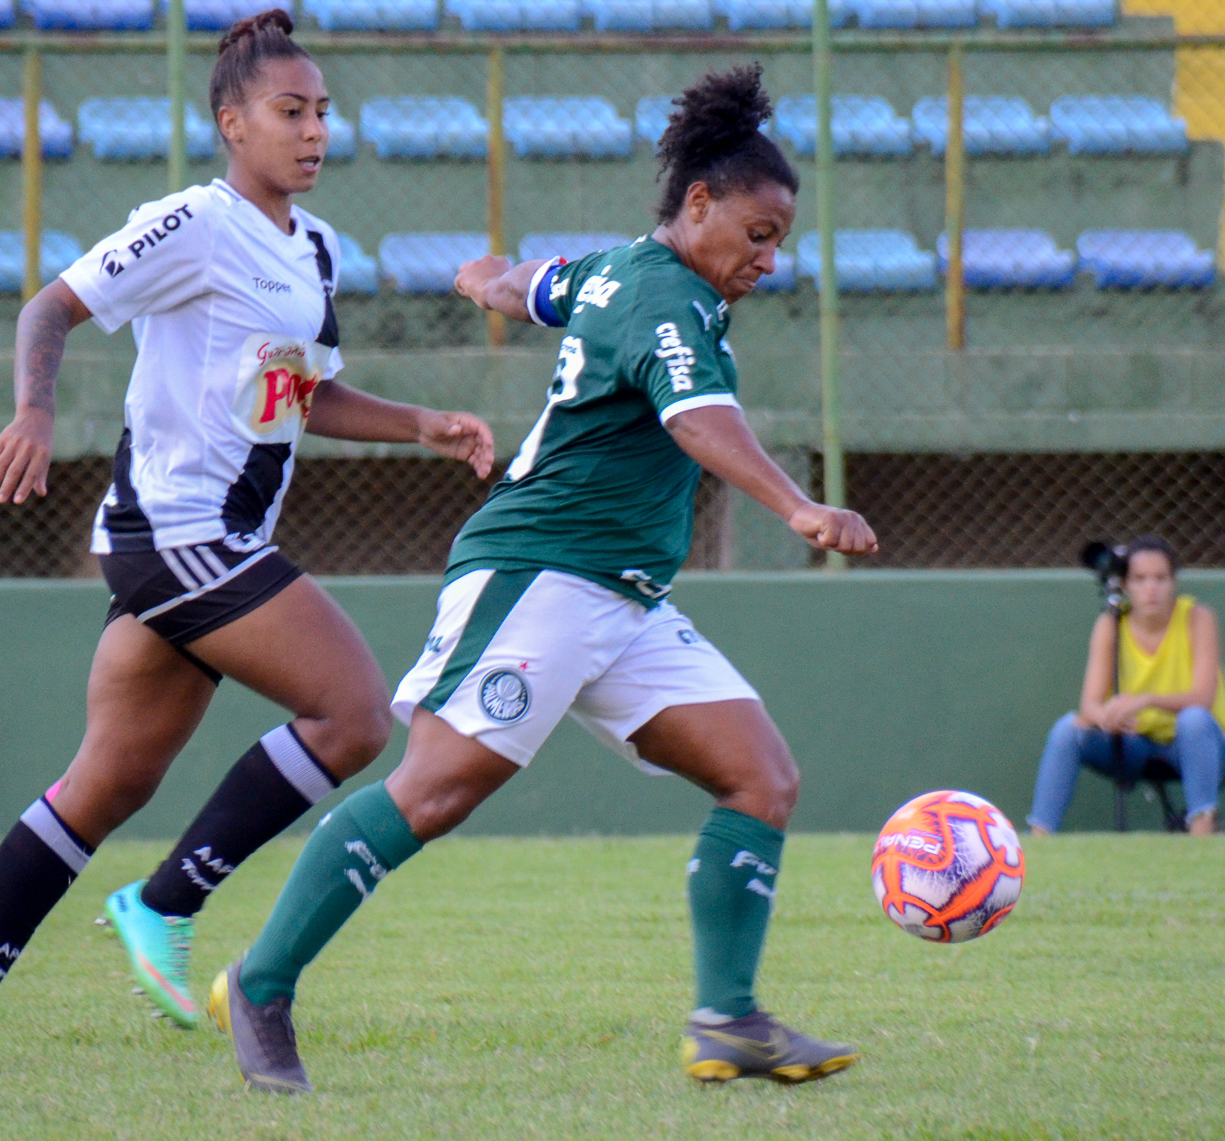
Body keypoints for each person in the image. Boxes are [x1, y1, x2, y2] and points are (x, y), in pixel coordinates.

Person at [205, 64, 879, 1095]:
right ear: (698, 204)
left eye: (779, 238)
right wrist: (798, 506)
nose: (769, 258)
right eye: (757, 233)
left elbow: (537, 287)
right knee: (432, 791)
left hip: (622, 595)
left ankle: (728, 1018)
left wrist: (490, 278)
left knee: (761, 777)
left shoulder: (619, 273)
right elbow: (698, 421)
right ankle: (260, 981)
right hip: (539, 573)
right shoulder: (667, 301)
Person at [0, 10, 494, 1078]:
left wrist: (420, 425)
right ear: (232, 123)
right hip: (173, 533)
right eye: (289, 111)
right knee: (355, 711)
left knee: (107, 781)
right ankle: (166, 903)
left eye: (321, 113)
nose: (313, 131)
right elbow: (51, 308)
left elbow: (301, 391)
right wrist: (34, 412)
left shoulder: (314, 246)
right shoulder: (191, 223)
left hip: (211, 543)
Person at [1028, 536, 1225, 836]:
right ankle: (1038, 839)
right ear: (1125, 584)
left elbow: (1203, 697)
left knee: (1194, 719)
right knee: (1068, 729)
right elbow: (1089, 705)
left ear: (1174, 582)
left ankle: (1202, 831)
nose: (1151, 589)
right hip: (1136, 745)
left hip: (1198, 746)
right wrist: (1106, 716)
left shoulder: (1198, 618)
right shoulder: (1111, 624)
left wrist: (1144, 700)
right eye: (1140, 579)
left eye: (1160, 578)